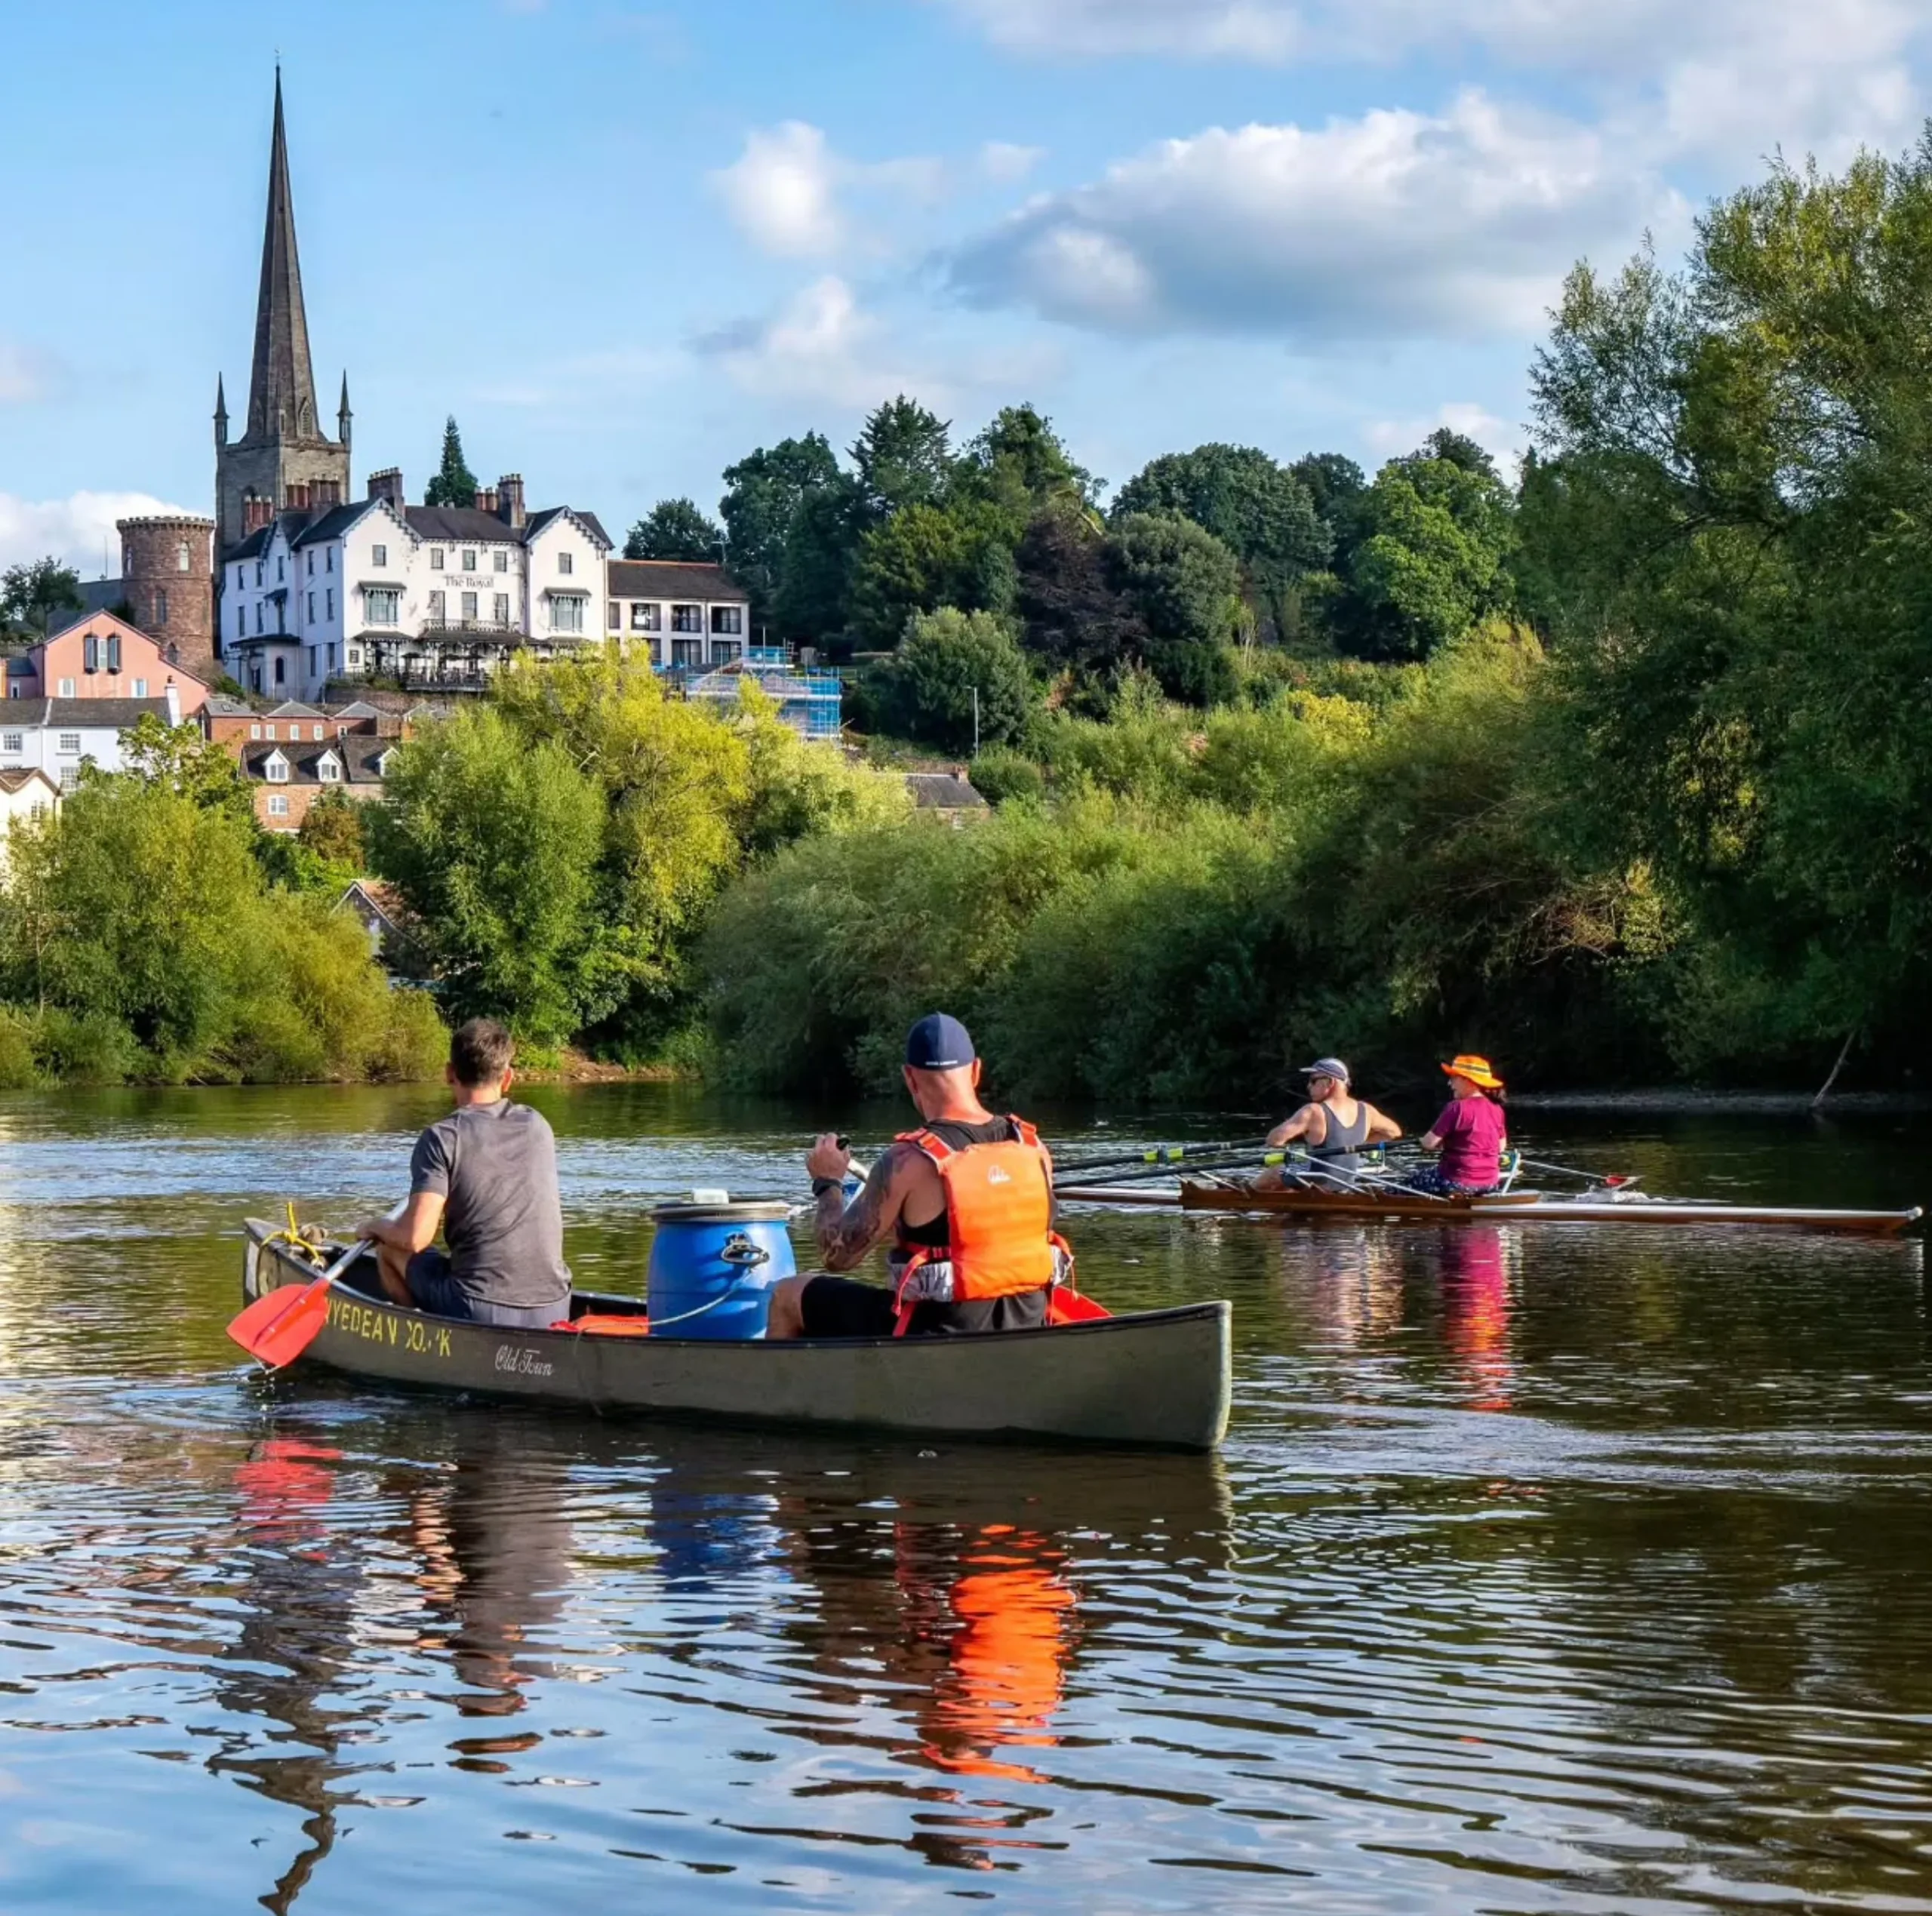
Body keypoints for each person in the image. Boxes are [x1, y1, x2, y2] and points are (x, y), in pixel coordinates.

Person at [765, 1013, 1067, 1339]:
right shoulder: (1033, 1147)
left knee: (788, 1295)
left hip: (934, 1338)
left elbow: (837, 1256)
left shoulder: (908, 1162)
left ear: (910, 1078)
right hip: (1029, 1330)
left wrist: (827, 1184)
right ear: (977, 1071)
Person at [356, 1017, 572, 1329]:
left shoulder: (441, 1138)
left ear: (449, 1073)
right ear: (508, 1078)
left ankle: (422, 1338)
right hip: (555, 1309)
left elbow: (415, 1238)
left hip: (480, 1309)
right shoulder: (538, 1125)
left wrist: (374, 1227)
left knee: (390, 1250)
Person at [1255, 1057, 1402, 1188]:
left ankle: (1242, 1198)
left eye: (1314, 1081)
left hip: (1319, 1182)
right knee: (1294, 1169)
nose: (1308, 1086)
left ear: (1330, 1082)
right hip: (1346, 1181)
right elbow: (1394, 1132)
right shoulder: (1366, 1110)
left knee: (1275, 1170)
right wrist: (1359, 1143)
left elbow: (1274, 1140)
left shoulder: (1313, 1111)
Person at [1408, 1053, 1509, 1195]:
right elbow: (1501, 1147)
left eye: (1453, 1078)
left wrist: (1423, 1141)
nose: (1450, 1084)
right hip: (1490, 1183)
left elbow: (1429, 1143)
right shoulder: (1497, 1109)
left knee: (1410, 1182)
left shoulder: (1456, 1107)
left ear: (1469, 1081)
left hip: (1456, 1182)